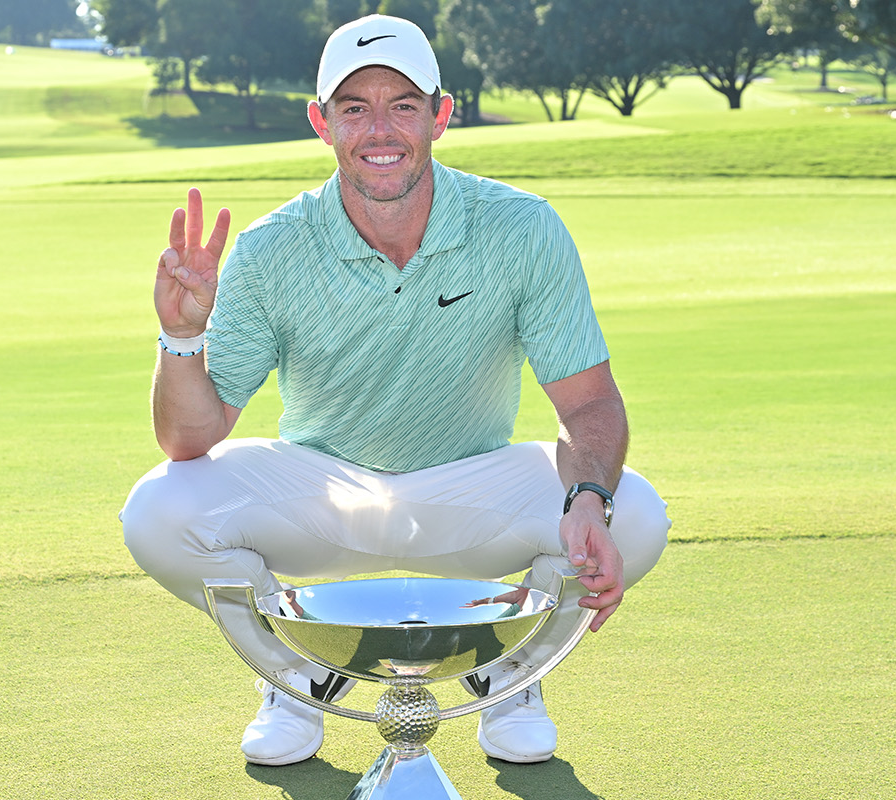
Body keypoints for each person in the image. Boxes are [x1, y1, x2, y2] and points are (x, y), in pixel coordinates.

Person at [120, 14, 670, 767]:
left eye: (403, 105)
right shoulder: (269, 248)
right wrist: (182, 337)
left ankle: (510, 678)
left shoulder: (522, 227)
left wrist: (586, 502)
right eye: (354, 107)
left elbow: (588, 406)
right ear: (322, 122)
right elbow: (190, 438)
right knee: (159, 507)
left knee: (632, 510)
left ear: (441, 116)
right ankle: (297, 677)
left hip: (471, 485)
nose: (380, 129)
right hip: (322, 491)